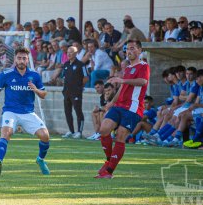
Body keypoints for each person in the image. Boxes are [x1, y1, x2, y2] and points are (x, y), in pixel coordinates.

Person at [0, 48, 50, 176]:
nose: (21, 61)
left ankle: (40, 160)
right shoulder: (6, 74)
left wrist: (36, 90)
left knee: (45, 136)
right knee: (6, 133)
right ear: (15, 59)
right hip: (10, 111)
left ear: (27, 60)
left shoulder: (34, 75)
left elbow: (44, 94)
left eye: (24, 58)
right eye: (19, 58)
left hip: (28, 112)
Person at [95, 39, 149, 179]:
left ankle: (109, 172)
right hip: (119, 106)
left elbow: (143, 82)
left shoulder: (143, 66)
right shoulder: (129, 68)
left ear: (139, 50)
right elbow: (123, 87)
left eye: (132, 48)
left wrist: (122, 81)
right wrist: (111, 102)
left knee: (120, 135)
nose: (129, 51)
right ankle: (108, 160)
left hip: (133, 108)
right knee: (104, 129)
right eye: (127, 49)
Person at [61, 46, 89, 139]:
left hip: (76, 92)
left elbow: (86, 77)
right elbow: (64, 77)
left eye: (71, 52)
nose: (69, 54)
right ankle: (71, 131)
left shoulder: (81, 65)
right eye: (68, 52)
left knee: (78, 111)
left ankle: (79, 132)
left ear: (76, 53)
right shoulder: (65, 64)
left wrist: (79, 87)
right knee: (67, 112)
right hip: (66, 92)